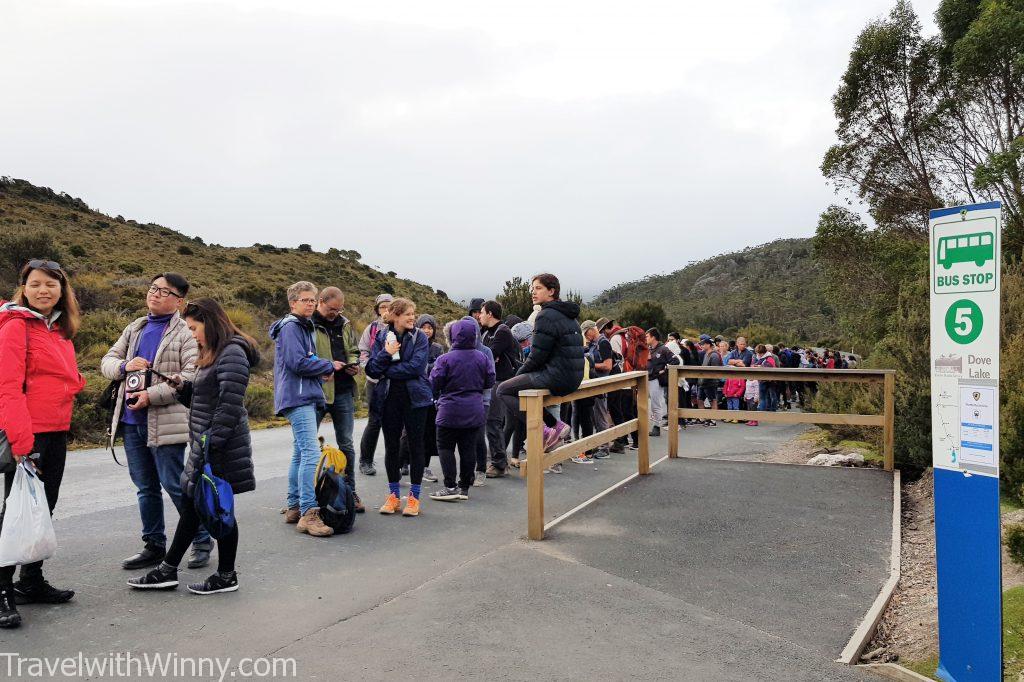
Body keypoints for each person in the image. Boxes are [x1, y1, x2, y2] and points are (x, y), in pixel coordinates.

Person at [127, 298, 259, 595]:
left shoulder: (232, 352)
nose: (192, 334)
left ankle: (224, 575)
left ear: (210, 323)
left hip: (219, 445)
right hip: (205, 441)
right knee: (195, 505)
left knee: (217, 506)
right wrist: (182, 387)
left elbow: (229, 404)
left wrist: (212, 444)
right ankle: (169, 570)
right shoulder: (211, 351)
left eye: (194, 327)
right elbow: (203, 400)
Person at [101, 272, 212, 571]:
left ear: (179, 301)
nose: (155, 294)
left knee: (176, 486)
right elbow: (107, 362)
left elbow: (191, 377)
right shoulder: (135, 327)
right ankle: (154, 545)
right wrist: (125, 365)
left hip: (166, 422)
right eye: (153, 289)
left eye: (164, 291)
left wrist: (152, 395)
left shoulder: (186, 333)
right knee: (145, 487)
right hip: (131, 419)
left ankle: (202, 539)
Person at [0, 260, 85, 628]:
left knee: (42, 508)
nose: (43, 291)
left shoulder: (59, 330)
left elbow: (60, 375)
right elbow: (7, 387)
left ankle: (30, 582)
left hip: (56, 429)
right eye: (35, 284)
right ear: (24, 288)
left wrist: (74, 383)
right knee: (16, 514)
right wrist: (21, 440)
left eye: (51, 284)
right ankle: (3, 590)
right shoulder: (16, 326)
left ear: (62, 291)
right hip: (29, 433)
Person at [270, 282, 343, 538]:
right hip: (298, 397)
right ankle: (309, 513)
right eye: (305, 300)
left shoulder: (302, 326)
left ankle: (294, 506)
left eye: (313, 300)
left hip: (302, 394)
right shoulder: (291, 327)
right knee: (311, 453)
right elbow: (296, 362)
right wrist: (326, 366)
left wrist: (319, 369)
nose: (310, 304)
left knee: (301, 453)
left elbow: (304, 360)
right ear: (293, 303)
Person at [496, 274, 584, 465]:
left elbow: (536, 356)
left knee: (503, 389)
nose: (533, 292)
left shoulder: (545, 315)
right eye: (532, 288)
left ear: (551, 291)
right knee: (515, 388)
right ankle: (554, 426)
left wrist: (518, 376)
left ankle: (548, 427)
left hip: (558, 376)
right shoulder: (569, 315)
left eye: (538, 288)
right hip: (573, 377)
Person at [366, 298, 432, 517]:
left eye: (413, 313)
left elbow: (415, 368)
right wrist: (387, 353)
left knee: (415, 445)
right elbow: (372, 369)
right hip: (388, 399)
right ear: (394, 316)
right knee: (391, 446)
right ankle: (393, 496)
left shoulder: (420, 337)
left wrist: (387, 370)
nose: (412, 317)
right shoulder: (383, 337)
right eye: (407, 314)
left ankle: (414, 498)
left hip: (416, 399)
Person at [428, 319, 495, 501]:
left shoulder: (445, 359)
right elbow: (489, 381)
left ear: (452, 336)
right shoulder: (482, 357)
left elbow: (434, 382)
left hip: (448, 409)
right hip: (474, 409)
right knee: (468, 449)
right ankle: (464, 487)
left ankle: (450, 486)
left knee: (445, 447)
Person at [311, 287, 364, 513]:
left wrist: (354, 364)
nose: (335, 313)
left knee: (347, 444)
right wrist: (324, 365)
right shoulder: (308, 324)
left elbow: (354, 350)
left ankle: (350, 491)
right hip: (317, 391)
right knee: (308, 447)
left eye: (339, 309)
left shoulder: (345, 323)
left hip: (342, 390)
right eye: (332, 309)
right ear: (320, 302)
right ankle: (310, 496)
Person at [399, 314, 444, 482]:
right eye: (424, 327)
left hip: (430, 393)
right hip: (411, 392)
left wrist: (425, 367)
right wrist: (426, 366)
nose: (427, 330)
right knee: (406, 433)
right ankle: (402, 462)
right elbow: (416, 367)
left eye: (430, 327)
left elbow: (438, 368)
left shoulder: (438, 348)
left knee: (427, 432)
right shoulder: (411, 343)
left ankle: (424, 467)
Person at [479, 301, 518, 477]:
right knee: (492, 422)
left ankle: (499, 464)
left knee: (493, 421)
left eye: (481, 312)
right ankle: (498, 460)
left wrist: (489, 357)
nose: (479, 315)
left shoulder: (502, 331)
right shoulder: (487, 332)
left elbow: (488, 355)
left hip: (501, 382)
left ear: (490, 313)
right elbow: (482, 354)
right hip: (492, 381)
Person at [358, 294, 393, 476]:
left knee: (396, 422)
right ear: (377, 309)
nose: (386, 310)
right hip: (375, 382)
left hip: (395, 381)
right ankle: (365, 461)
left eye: (389, 306)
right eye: (382, 307)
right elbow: (362, 351)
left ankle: (398, 462)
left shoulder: (402, 327)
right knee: (375, 421)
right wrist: (369, 367)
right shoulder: (371, 329)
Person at [645, 328, 679, 437]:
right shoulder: (649, 349)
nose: (645, 338)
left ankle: (656, 426)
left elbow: (675, 361)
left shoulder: (663, 349)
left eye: (647, 336)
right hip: (647, 378)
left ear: (653, 337)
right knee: (645, 403)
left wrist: (664, 371)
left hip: (656, 379)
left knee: (656, 404)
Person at [697, 335, 721, 427]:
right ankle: (702, 418)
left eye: (703, 344)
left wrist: (708, 379)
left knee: (712, 400)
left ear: (709, 345)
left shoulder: (714, 355)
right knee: (700, 399)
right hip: (702, 382)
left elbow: (715, 370)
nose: (701, 346)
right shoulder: (706, 354)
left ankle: (713, 420)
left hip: (710, 382)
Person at [754, 343, 779, 412]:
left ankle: (769, 410)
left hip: (768, 380)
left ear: (762, 353)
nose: (758, 355)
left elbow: (769, 367)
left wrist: (760, 366)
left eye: (759, 353)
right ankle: (766, 409)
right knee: (765, 397)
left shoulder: (769, 358)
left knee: (766, 397)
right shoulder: (764, 357)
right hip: (764, 380)